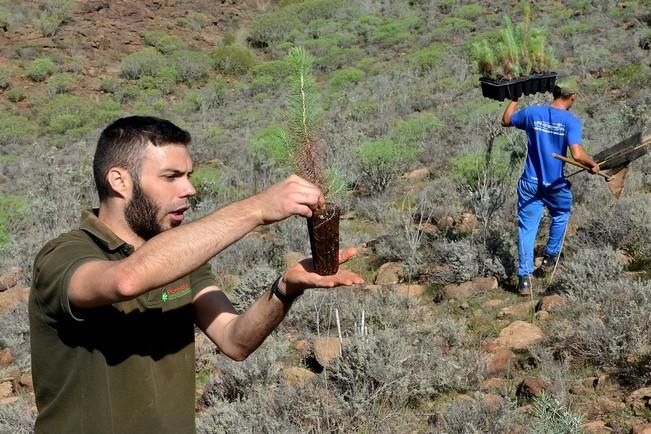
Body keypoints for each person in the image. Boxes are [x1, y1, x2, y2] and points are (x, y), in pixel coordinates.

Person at [28, 116, 364, 434]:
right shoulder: (64, 256)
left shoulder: (179, 257)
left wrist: (286, 288)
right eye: (171, 176)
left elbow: (235, 341)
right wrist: (257, 208)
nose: (188, 189)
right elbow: (124, 281)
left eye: (189, 175)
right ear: (119, 181)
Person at [501, 77, 599, 295]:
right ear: (572, 97)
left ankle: (524, 279)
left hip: (529, 182)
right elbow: (577, 154)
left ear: (554, 93)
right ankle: (550, 258)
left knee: (527, 229)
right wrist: (593, 165)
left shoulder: (532, 113)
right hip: (554, 184)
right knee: (562, 213)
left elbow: (506, 121)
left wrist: (515, 99)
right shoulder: (570, 121)